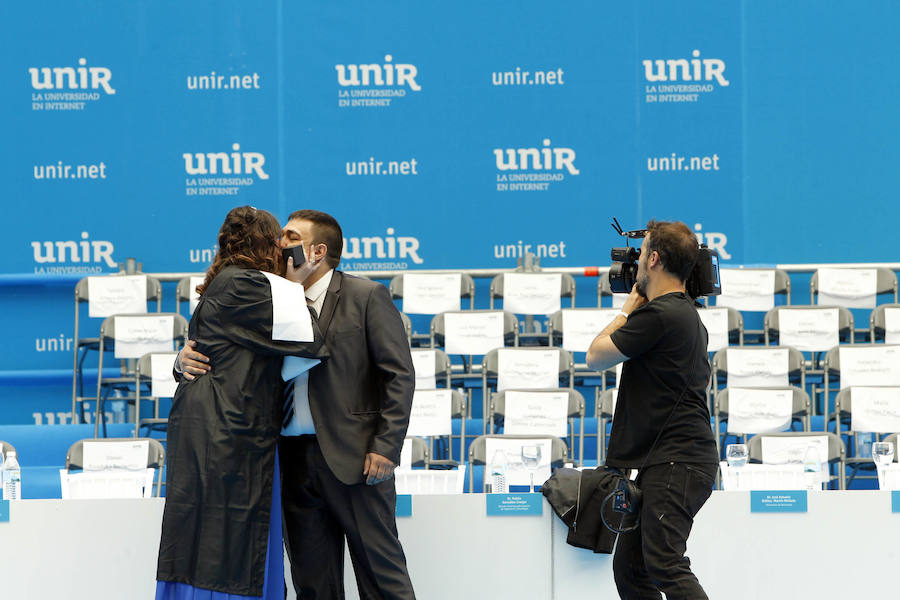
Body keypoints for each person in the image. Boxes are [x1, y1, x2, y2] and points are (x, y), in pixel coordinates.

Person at [177, 209, 416, 599]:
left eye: (289, 237)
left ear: (317, 252)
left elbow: (399, 375)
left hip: (355, 458)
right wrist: (181, 361)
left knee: (381, 575)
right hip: (289, 458)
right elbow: (221, 349)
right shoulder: (264, 295)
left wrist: (385, 447)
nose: (279, 244)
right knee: (311, 581)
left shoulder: (365, 295)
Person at [157, 206, 329, 599]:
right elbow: (311, 341)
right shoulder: (249, 286)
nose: (289, 250)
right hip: (228, 435)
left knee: (207, 543)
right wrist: (295, 282)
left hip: (217, 428)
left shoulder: (231, 282)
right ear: (269, 245)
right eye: (282, 242)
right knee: (226, 548)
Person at [586, 219, 719, 600]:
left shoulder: (660, 315)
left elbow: (595, 355)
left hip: (678, 462)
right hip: (673, 460)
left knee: (664, 564)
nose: (637, 264)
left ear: (655, 260)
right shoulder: (683, 314)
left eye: (641, 255)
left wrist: (628, 306)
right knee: (631, 569)